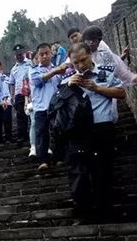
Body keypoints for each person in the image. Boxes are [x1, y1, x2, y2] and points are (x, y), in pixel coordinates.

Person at [63, 43, 126, 220]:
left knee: (103, 170)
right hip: (79, 132)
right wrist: (68, 86)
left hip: (102, 127)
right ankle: (82, 211)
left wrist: (96, 87)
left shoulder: (106, 72)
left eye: (83, 60)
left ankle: (104, 209)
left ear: (90, 55)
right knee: (79, 173)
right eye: (76, 63)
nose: (81, 65)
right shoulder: (68, 79)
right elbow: (59, 105)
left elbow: (121, 93)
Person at [29, 43, 70, 171]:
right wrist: (56, 71)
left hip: (56, 106)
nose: (45, 56)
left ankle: (59, 157)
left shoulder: (58, 70)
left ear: (51, 54)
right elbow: (38, 80)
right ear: (38, 57)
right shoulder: (34, 70)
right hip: (41, 107)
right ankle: (43, 160)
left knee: (58, 131)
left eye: (47, 53)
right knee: (41, 133)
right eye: (42, 54)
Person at [8, 45, 32, 145]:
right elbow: (12, 83)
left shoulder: (31, 63)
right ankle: (22, 136)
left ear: (24, 53)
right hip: (19, 94)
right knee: (20, 115)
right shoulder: (13, 69)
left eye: (20, 54)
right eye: (17, 55)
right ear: (15, 56)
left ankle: (33, 135)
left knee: (32, 113)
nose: (19, 56)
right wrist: (12, 96)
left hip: (31, 92)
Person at [0, 59, 13, 143]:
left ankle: (8, 138)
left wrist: (6, 99)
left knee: (7, 120)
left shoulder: (6, 78)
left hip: (7, 101)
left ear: (0, 66)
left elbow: (8, 89)